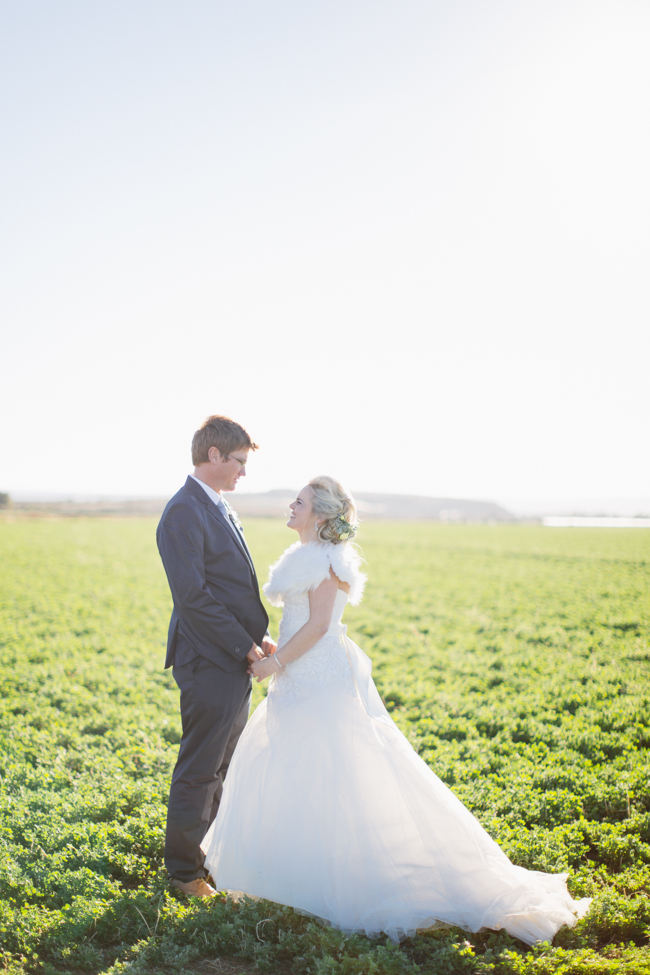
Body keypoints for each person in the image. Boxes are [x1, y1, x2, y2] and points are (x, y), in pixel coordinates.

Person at [201, 475, 592, 943]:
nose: (291, 505)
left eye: (300, 501)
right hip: (298, 677)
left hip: (317, 681)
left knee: (332, 772)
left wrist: (276, 663)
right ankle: (298, 870)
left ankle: (342, 877)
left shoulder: (325, 562)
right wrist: (276, 650)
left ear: (320, 514)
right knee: (299, 771)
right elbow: (299, 622)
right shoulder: (307, 558)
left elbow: (322, 625)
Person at [157, 415, 276, 897]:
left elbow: (231, 587)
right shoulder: (184, 511)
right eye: (239, 462)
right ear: (213, 456)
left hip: (232, 656)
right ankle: (184, 874)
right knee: (201, 768)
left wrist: (257, 639)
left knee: (223, 765)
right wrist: (243, 645)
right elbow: (195, 597)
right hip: (208, 659)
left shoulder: (218, 505)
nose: (243, 472)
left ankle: (207, 857)